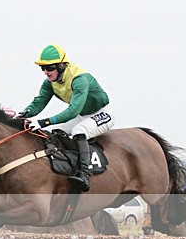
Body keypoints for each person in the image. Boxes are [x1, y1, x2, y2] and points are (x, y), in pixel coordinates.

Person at [15, 44, 114, 192]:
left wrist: (44, 121)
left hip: (102, 113)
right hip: (82, 116)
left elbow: (72, 111)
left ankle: (84, 174)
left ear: (61, 65)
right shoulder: (49, 83)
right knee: (51, 131)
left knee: (79, 131)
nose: (46, 72)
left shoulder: (79, 79)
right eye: (42, 68)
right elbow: (39, 102)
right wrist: (23, 115)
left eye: (49, 67)